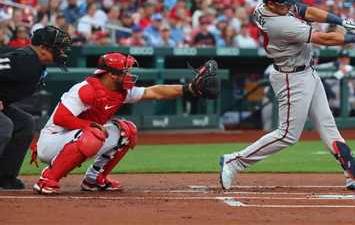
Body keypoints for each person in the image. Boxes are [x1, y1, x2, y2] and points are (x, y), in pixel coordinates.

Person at [220, 0, 355, 191]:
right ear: (271, 3)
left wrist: (341, 20)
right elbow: (323, 38)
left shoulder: (269, 5)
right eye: (283, 4)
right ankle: (235, 161)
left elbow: (305, 10)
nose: (289, 6)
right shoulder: (280, 24)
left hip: (307, 72)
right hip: (291, 78)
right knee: (288, 135)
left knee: (328, 126)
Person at [32, 54, 219, 194]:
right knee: (95, 133)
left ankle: (94, 179)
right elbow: (61, 118)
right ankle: (47, 179)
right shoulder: (86, 89)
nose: (130, 74)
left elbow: (154, 92)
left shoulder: (120, 91)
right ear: (112, 75)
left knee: (126, 130)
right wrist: (89, 126)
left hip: (79, 137)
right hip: (52, 141)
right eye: (125, 71)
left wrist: (189, 89)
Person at [0, 26, 71, 189]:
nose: (61, 52)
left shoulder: (34, 62)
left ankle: (5, 176)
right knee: (4, 125)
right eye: (58, 48)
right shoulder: (24, 59)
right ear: (43, 48)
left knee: (25, 123)